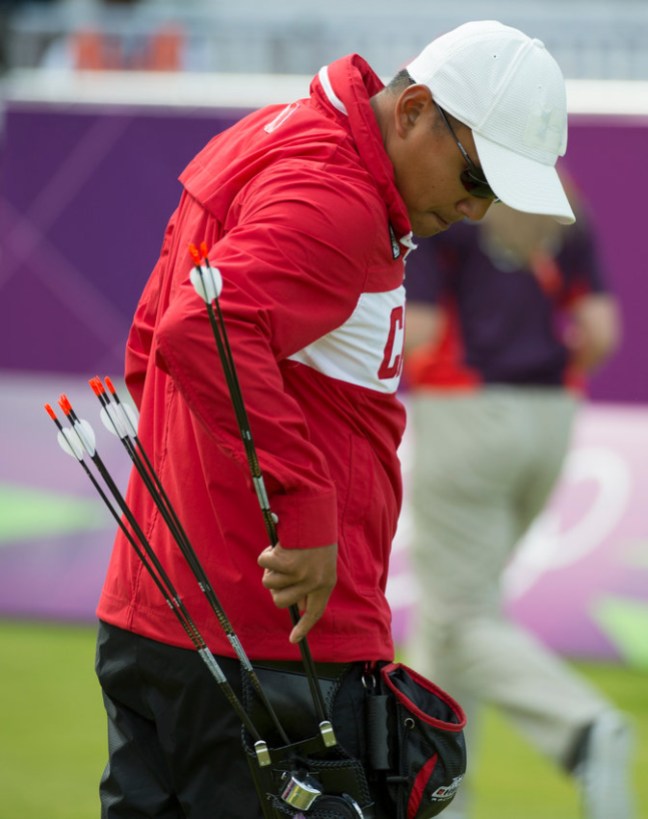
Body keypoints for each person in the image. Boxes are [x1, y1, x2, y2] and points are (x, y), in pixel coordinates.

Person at [94, 20, 577, 818]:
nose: (477, 208)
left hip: (163, 611)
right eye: (477, 175)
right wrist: (304, 504)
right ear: (415, 109)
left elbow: (151, 341)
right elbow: (197, 330)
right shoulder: (342, 196)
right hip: (279, 639)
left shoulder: (273, 136)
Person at [403, 188, 634, 819]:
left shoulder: (445, 205)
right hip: (551, 418)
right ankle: (440, 799)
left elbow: (418, 334)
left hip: (466, 412)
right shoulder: (568, 212)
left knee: (458, 618)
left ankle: (583, 728)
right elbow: (601, 333)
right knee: (456, 615)